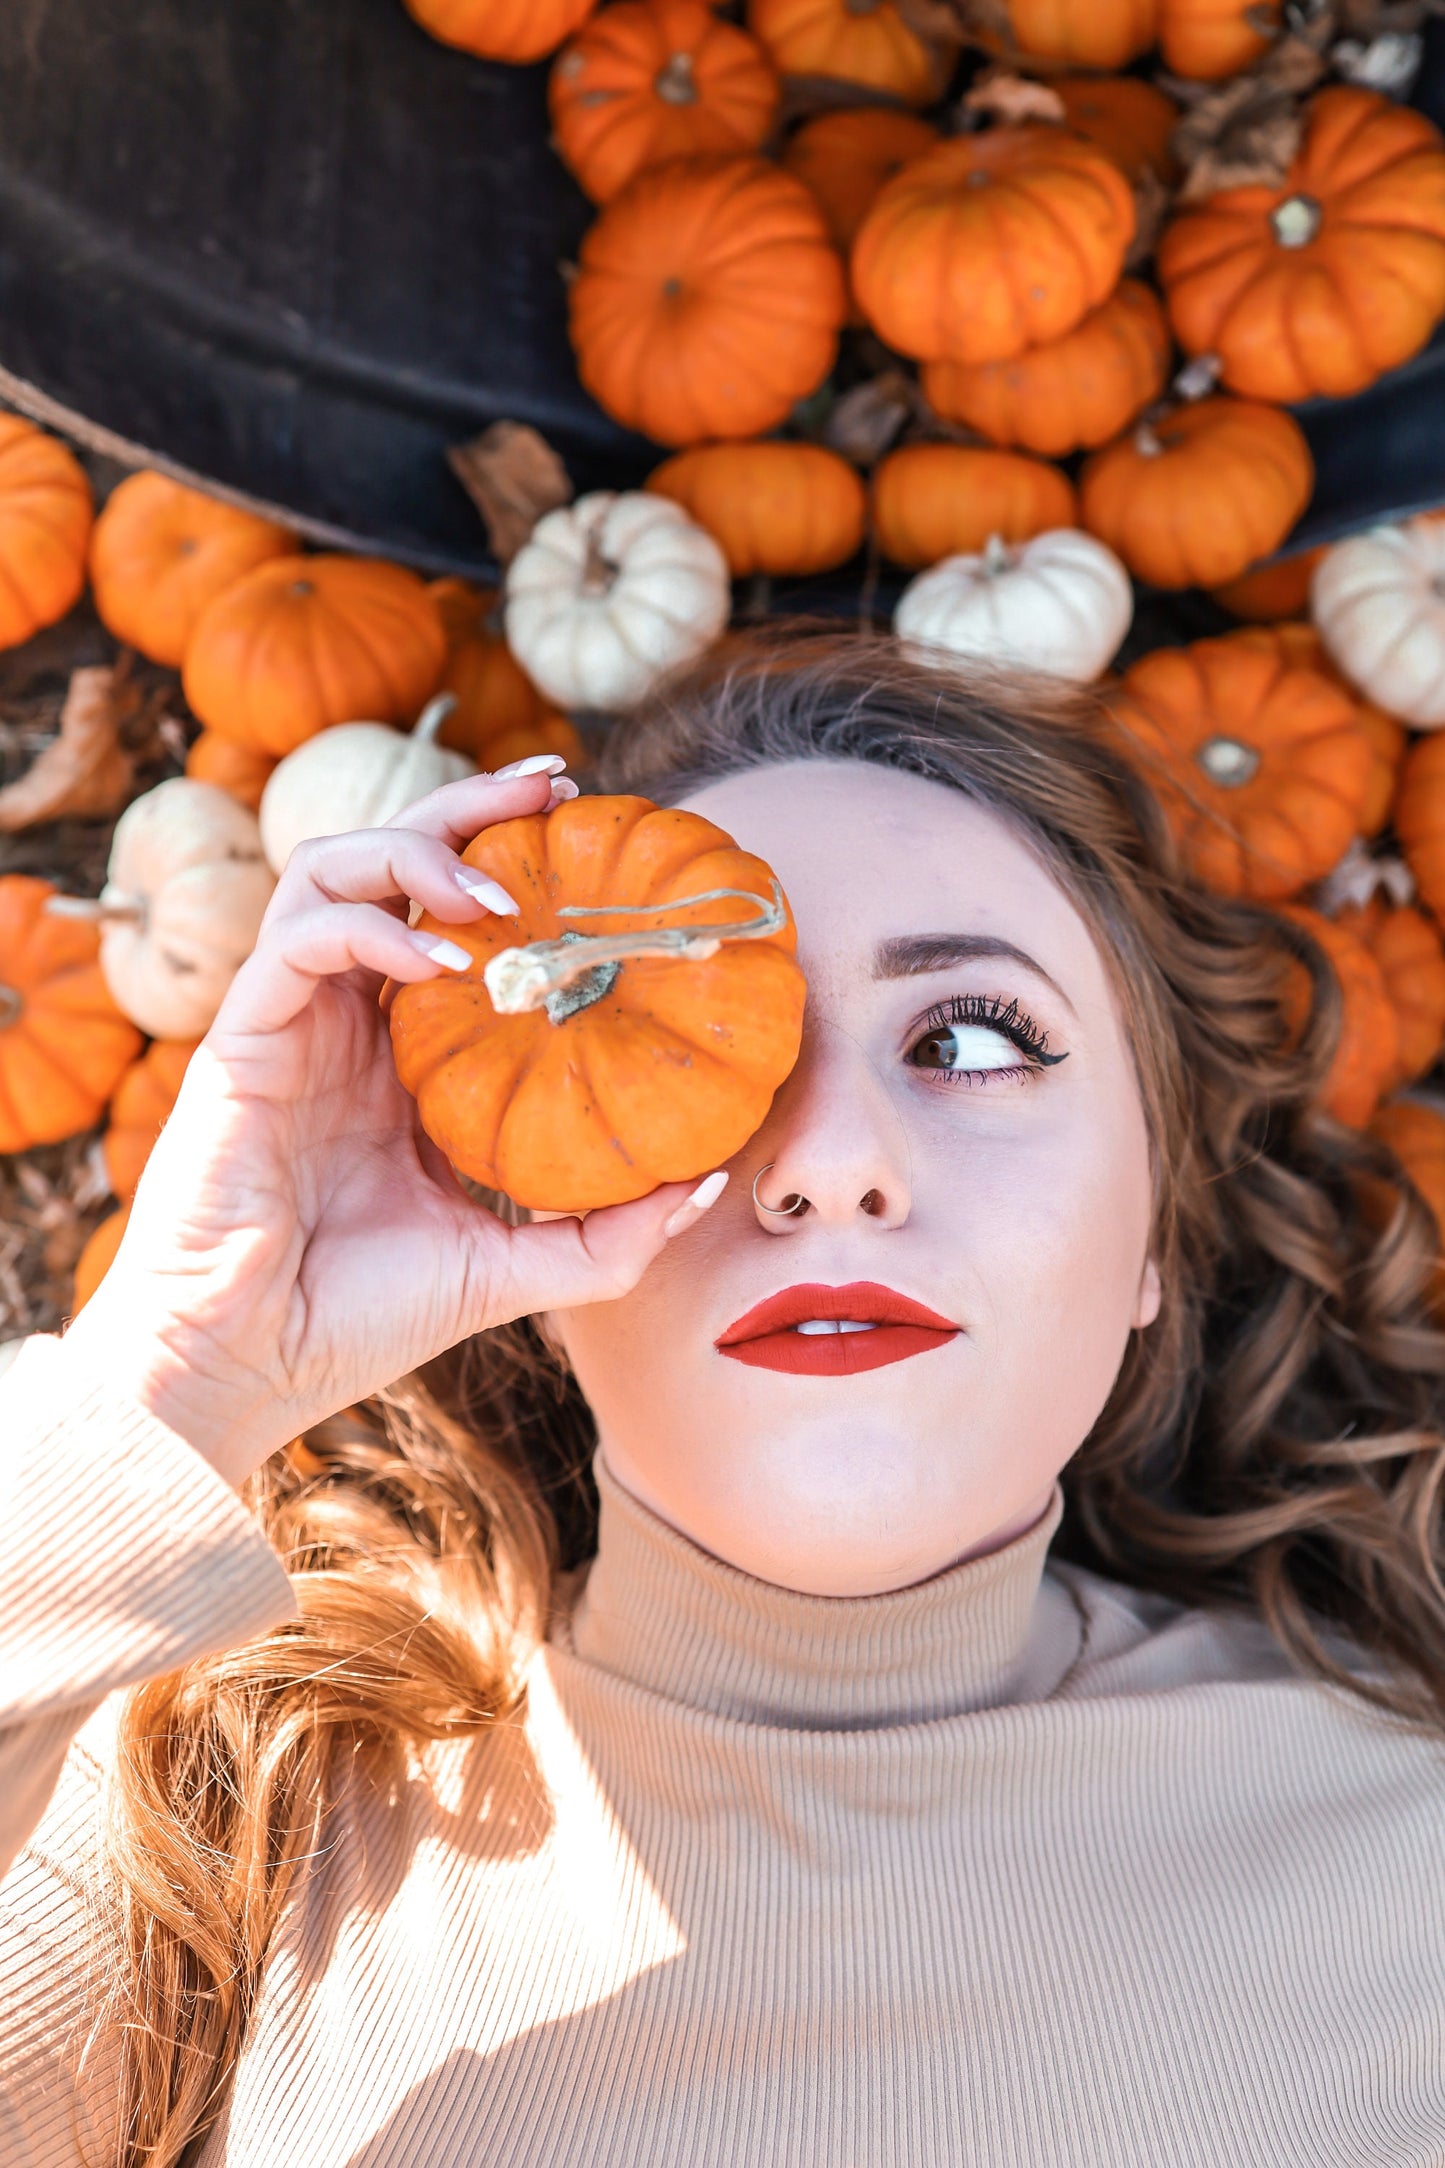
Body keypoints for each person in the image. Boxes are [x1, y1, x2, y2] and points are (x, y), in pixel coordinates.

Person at [2, 630, 1444, 2168]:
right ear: (533, 1244)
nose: (828, 1164)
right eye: (695, 1050)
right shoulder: (204, 1837)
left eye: (966, 1040)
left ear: (1150, 1230)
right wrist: (181, 1370)